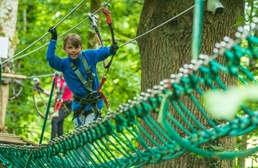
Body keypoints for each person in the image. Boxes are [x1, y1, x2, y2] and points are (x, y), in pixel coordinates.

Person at [46, 27, 118, 129]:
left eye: (76, 47)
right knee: (79, 141)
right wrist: (53, 39)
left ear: (81, 47)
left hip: (94, 106)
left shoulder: (89, 55)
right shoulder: (64, 64)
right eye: (70, 48)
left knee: (86, 137)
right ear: (64, 49)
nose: (73, 51)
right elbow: (50, 58)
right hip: (78, 107)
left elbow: (102, 52)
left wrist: (111, 50)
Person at [50, 73, 73, 140]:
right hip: (58, 105)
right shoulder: (56, 78)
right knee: (59, 124)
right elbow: (52, 93)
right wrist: (40, 90)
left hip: (67, 105)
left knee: (54, 120)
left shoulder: (71, 77)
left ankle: (51, 142)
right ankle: (61, 143)